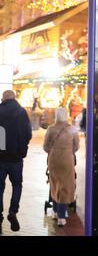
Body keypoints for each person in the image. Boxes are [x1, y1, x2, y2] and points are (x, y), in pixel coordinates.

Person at [0, 90, 32, 234]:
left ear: (3, 98)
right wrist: (21, 147)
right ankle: (13, 211)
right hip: (16, 158)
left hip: (0, 157)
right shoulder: (21, 112)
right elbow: (28, 133)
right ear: (14, 98)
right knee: (17, 185)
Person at [43, 107, 79, 227]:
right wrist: (67, 151)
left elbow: (45, 147)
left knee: (55, 184)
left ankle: (55, 211)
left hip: (54, 160)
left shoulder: (51, 129)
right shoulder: (72, 129)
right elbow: (76, 147)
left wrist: (53, 151)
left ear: (56, 116)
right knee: (65, 186)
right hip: (67, 160)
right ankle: (61, 217)